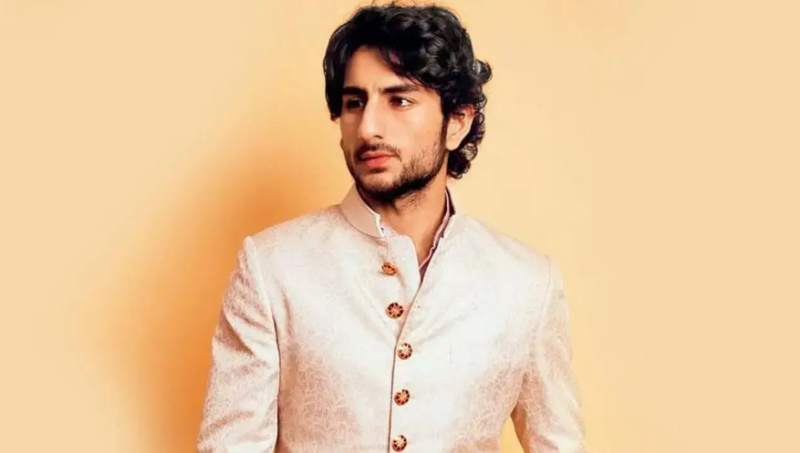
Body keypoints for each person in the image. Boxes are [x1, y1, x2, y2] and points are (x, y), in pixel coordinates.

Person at [196, 2, 588, 452]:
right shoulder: (272, 268)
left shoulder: (526, 284)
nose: (368, 128)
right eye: (354, 103)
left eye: (399, 100)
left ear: (457, 123)